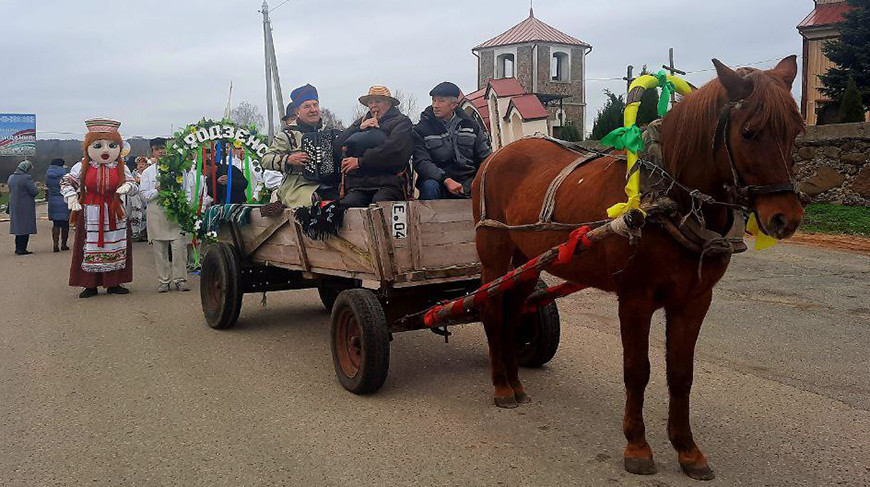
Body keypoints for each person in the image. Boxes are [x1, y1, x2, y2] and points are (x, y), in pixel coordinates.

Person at [60, 119, 137, 298]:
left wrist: (128, 187)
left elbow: (133, 186)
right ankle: (90, 284)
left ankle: (114, 282)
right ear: (88, 147)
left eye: (111, 145)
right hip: (90, 212)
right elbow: (66, 181)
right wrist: (71, 196)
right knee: (89, 247)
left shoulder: (121, 167)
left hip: (115, 211)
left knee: (116, 246)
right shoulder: (82, 167)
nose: (105, 150)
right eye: (98, 145)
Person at [336, 86, 414, 208]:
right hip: (359, 185)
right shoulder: (360, 122)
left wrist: (360, 162)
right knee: (348, 205)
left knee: (380, 204)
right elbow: (338, 146)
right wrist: (357, 128)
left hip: (389, 183)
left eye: (378, 101)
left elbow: (393, 151)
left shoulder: (402, 122)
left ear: (389, 103)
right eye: (370, 102)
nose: (373, 106)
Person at [413, 81, 492, 199]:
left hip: (468, 180)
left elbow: (485, 157)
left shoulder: (471, 126)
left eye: (441, 101)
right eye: (434, 100)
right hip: (437, 181)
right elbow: (422, 162)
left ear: (454, 104)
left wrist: (477, 180)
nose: (435, 105)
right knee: (430, 186)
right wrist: (446, 180)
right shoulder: (422, 129)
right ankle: (431, 217)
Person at [262, 84, 335, 208]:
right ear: (297, 112)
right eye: (307, 106)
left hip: (327, 182)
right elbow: (265, 159)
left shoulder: (329, 132)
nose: (313, 109)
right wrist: (289, 159)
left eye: (315, 105)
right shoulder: (288, 134)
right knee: (316, 201)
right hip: (297, 186)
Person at [139, 137, 190, 293]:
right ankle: (164, 281)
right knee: (160, 250)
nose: (161, 151)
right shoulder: (148, 172)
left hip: (175, 214)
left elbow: (187, 190)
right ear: (152, 152)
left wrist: (185, 207)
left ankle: (180, 279)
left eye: (163, 148)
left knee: (179, 248)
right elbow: (144, 195)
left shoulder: (178, 170)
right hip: (156, 213)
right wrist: (157, 190)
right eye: (157, 149)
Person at [7, 160, 38, 255]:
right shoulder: (26, 178)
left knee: (18, 228)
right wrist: (36, 185)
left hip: (14, 205)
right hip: (25, 206)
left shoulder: (11, 177)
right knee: (25, 228)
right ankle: (22, 249)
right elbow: (34, 192)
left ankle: (18, 247)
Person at [45, 158, 71, 252]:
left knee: (55, 224)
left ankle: (55, 244)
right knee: (65, 224)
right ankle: (64, 244)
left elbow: (47, 185)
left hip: (53, 200)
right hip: (64, 200)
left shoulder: (48, 174)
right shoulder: (65, 174)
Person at [127, 156, 150, 241]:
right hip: (135, 198)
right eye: (139, 164)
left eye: (143, 164)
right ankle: (136, 233)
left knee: (145, 214)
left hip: (144, 198)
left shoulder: (148, 174)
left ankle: (145, 232)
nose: (141, 166)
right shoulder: (133, 174)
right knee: (135, 214)